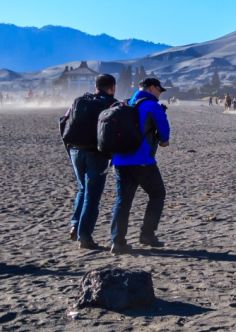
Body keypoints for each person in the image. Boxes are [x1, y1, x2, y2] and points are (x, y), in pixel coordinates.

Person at [109, 77, 171, 254]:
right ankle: (147, 234)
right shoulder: (152, 105)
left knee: (123, 200)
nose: (160, 93)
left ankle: (117, 241)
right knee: (157, 193)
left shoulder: (126, 104)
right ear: (152, 88)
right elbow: (163, 129)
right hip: (142, 160)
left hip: (120, 160)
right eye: (159, 89)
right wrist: (164, 141)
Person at [62, 74, 118, 249]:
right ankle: (84, 236)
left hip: (75, 151)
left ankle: (75, 225)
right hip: (96, 153)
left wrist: (69, 148)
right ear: (112, 87)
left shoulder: (80, 101)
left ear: (95, 86)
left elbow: (64, 122)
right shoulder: (111, 104)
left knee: (82, 189)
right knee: (92, 196)